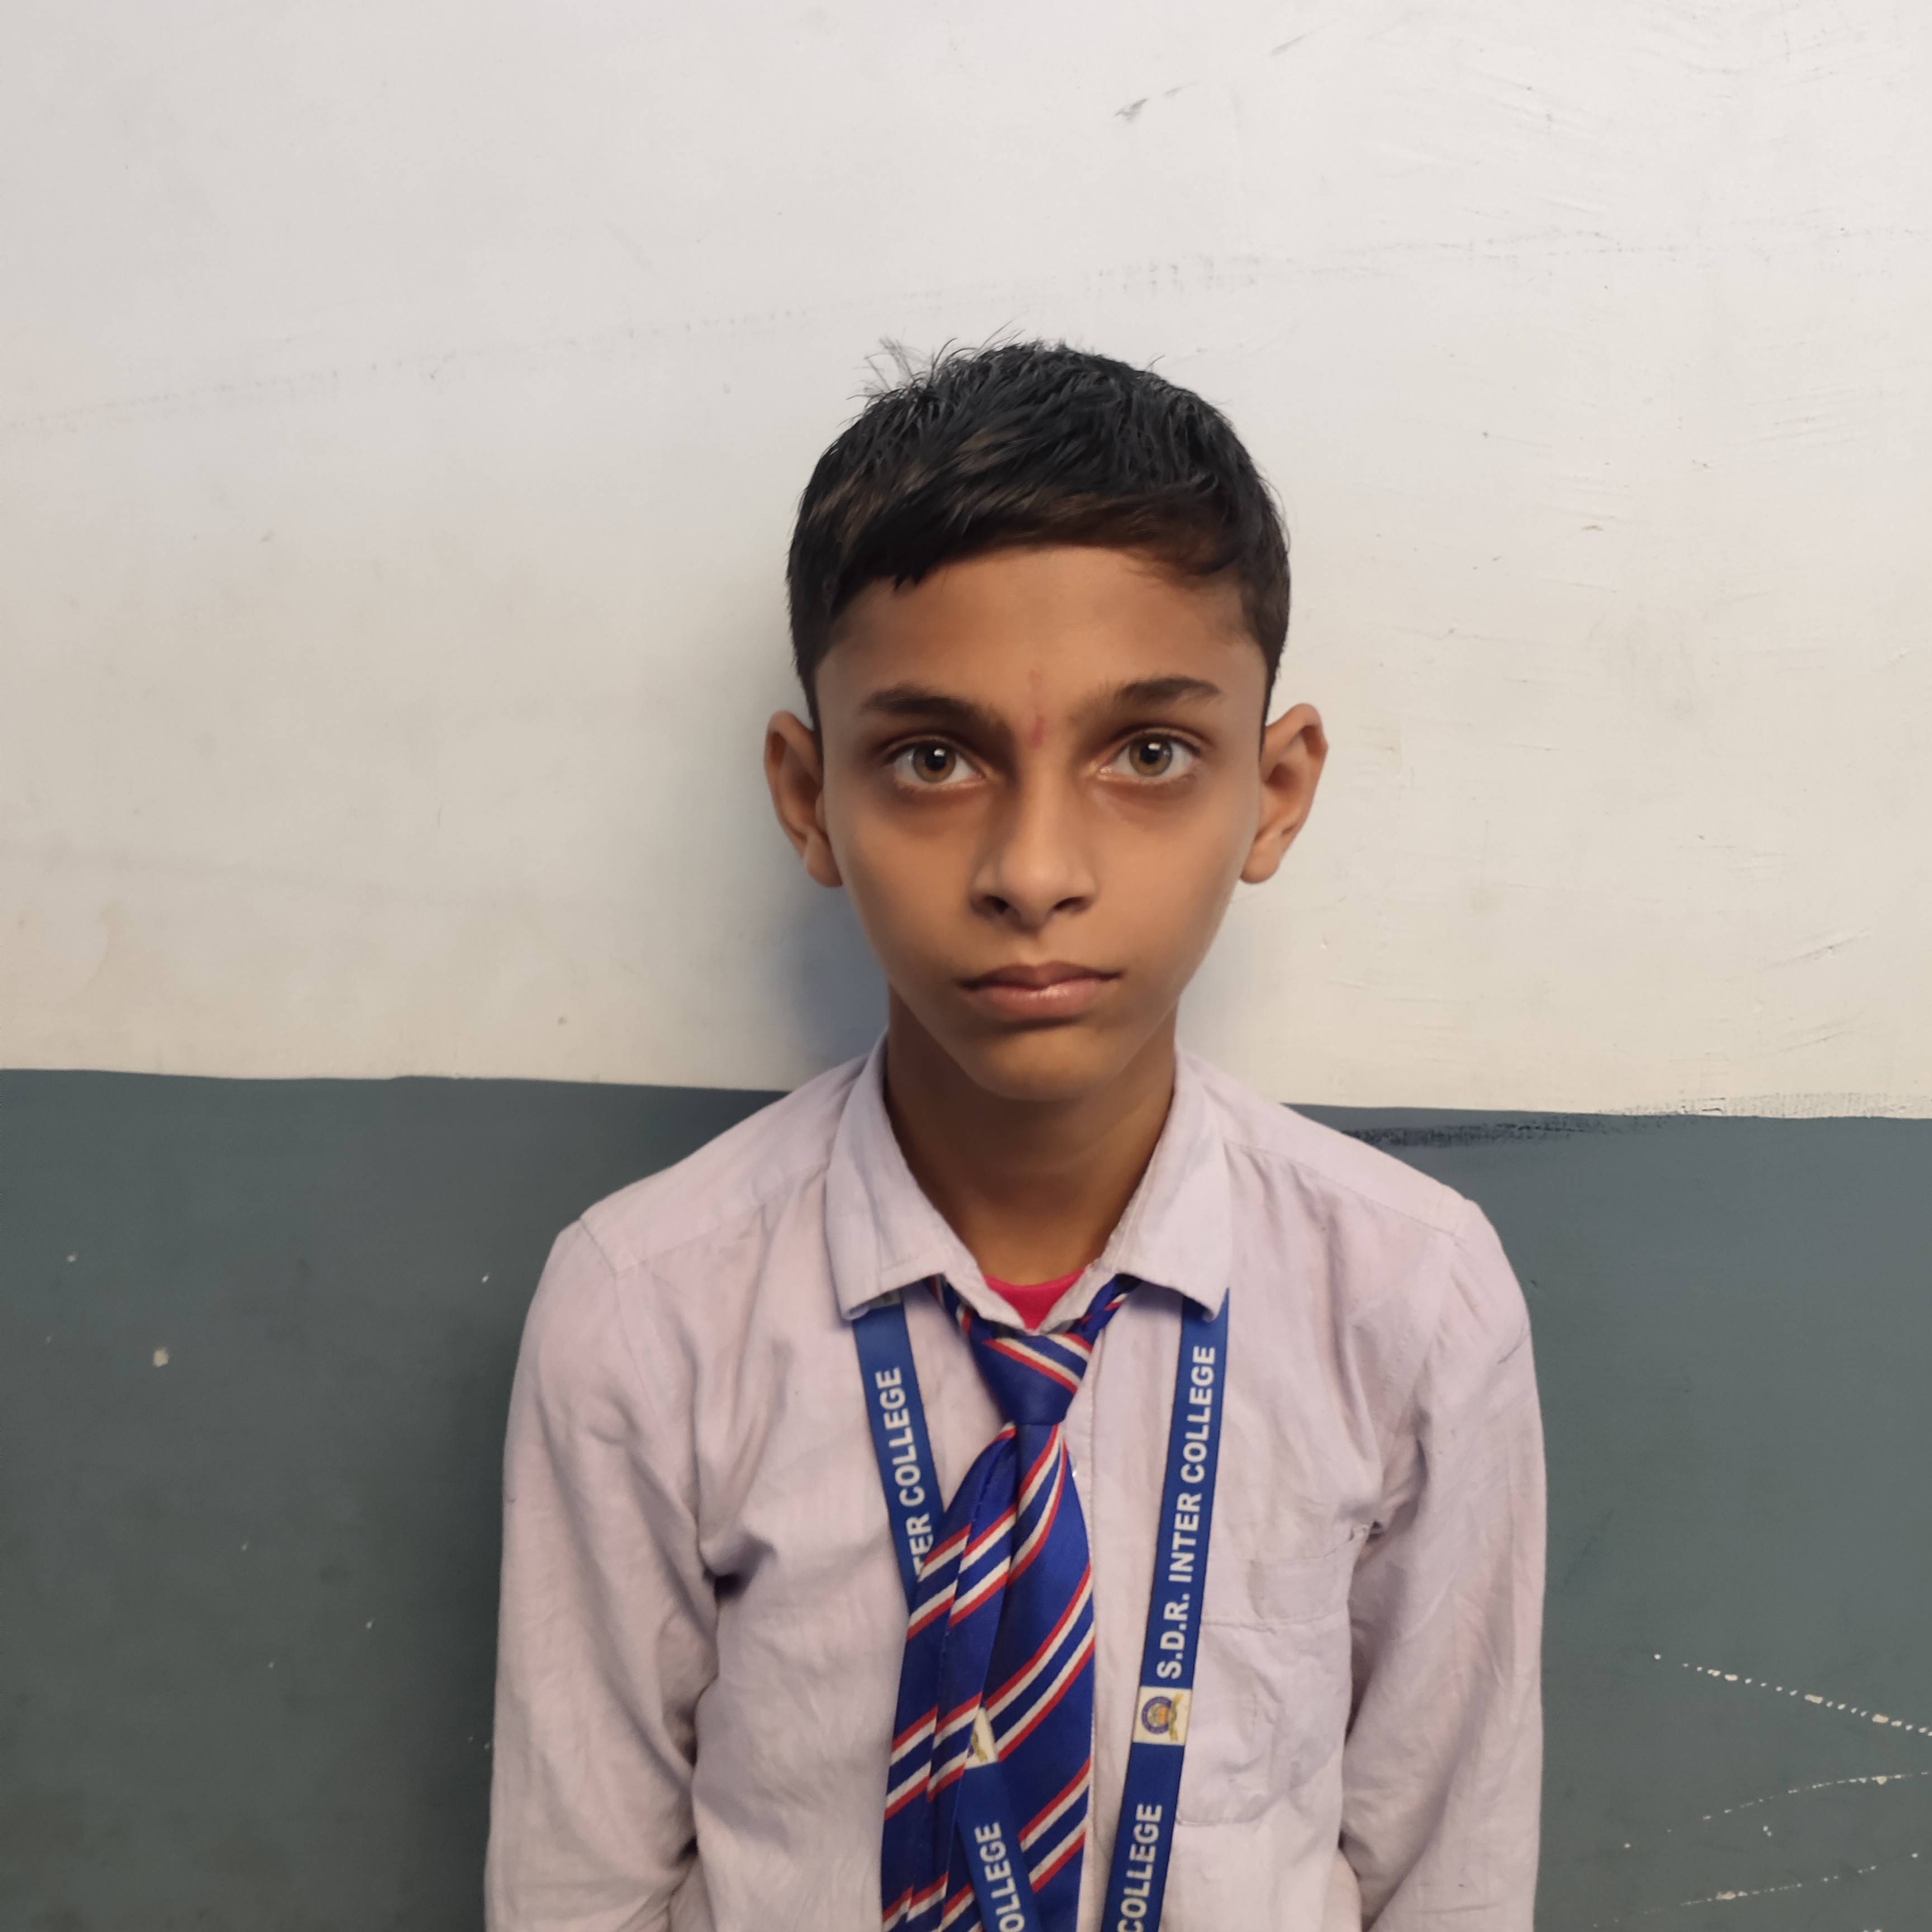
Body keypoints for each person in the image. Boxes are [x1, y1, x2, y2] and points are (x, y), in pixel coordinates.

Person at [483, 342, 1545, 1932]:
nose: (1034, 871)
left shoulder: (1413, 1301)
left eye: (1149, 754)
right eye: (932, 757)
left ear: (1274, 790)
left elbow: (1448, 1875)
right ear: (808, 796)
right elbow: (580, 1888)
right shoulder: (646, 1308)